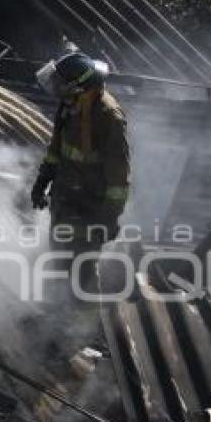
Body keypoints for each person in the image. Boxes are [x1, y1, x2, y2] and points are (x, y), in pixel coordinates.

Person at [31, 51, 130, 295]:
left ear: (79, 86)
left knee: (82, 271)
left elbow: (118, 179)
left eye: (61, 85)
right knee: (58, 261)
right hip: (64, 201)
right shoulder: (70, 105)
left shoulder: (109, 117)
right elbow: (56, 149)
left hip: (90, 209)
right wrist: (42, 180)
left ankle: (84, 328)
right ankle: (57, 315)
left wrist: (108, 220)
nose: (57, 90)